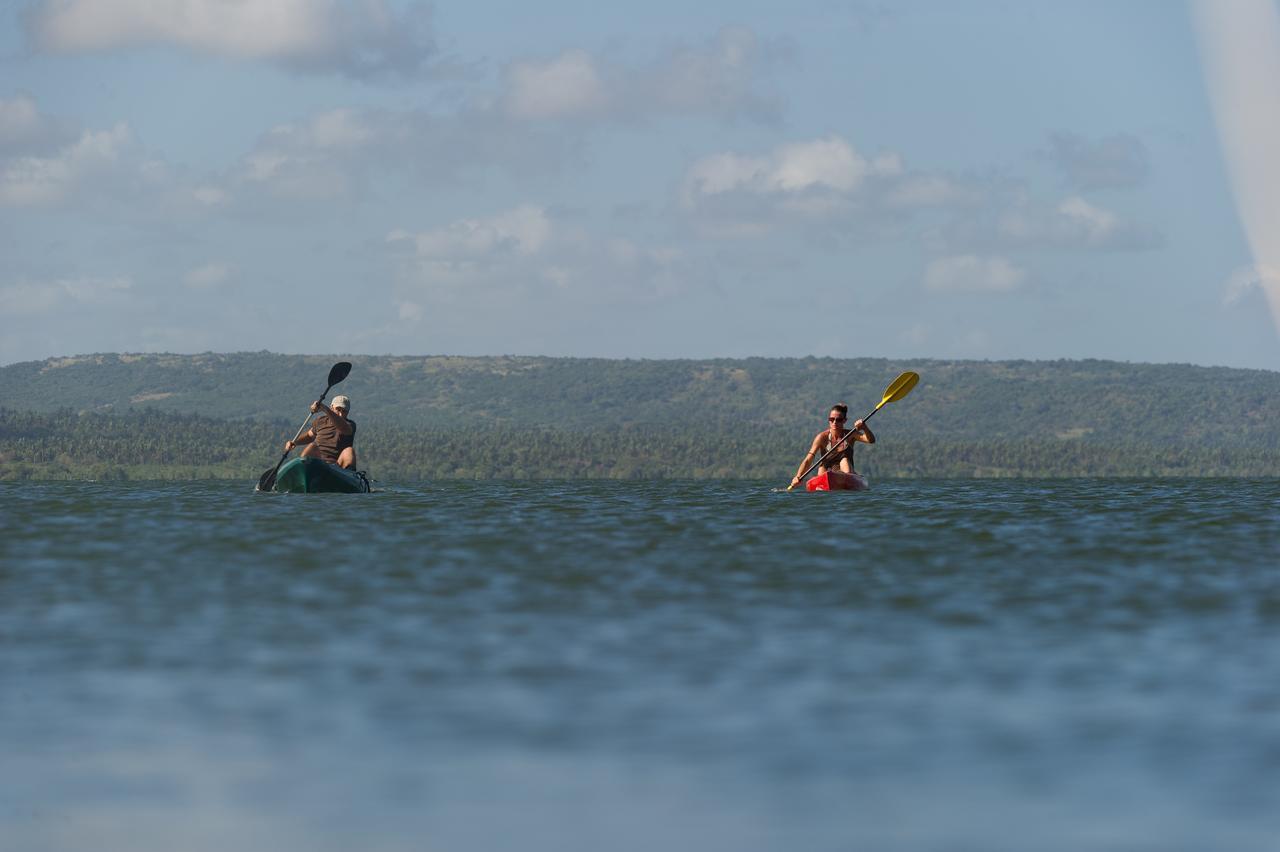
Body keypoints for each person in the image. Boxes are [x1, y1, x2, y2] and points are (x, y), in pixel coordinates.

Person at [790, 402, 874, 490]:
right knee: (821, 468)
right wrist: (798, 476)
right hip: (827, 469)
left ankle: (848, 478)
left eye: (838, 420)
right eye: (831, 419)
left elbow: (871, 440)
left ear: (844, 420)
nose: (834, 422)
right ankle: (824, 485)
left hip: (845, 471)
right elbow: (808, 459)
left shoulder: (851, 434)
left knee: (844, 460)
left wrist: (864, 427)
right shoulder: (821, 437)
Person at [285, 394, 358, 469]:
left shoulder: (350, 425)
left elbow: (344, 428)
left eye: (344, 411)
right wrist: (294, 442)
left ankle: (349, 473)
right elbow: (309, 436)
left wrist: (325, 409)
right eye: (338, 409)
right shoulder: (320, 421)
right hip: (319, 462)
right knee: (312, 447)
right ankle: (303, 470)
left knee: (349, 451)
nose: (341, 414)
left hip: (338, 466)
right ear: (332, 408)